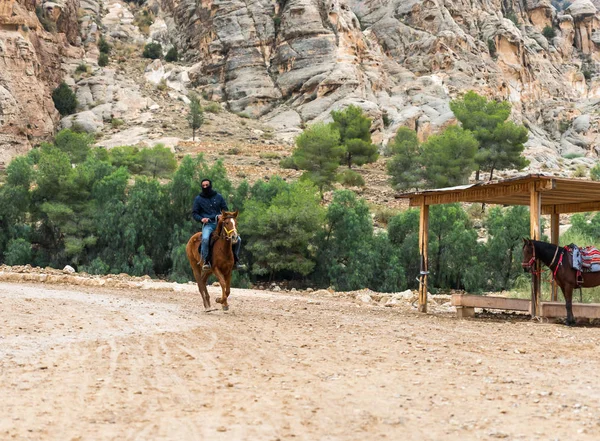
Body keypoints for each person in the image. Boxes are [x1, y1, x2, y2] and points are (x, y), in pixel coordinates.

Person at [192, 179, 243, 270]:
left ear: (210, 185)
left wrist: (223, 215)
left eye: (207, 185)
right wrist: (201, 219)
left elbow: (225, 209)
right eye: (203, 186)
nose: (205, 187)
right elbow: (195, 213)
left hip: (222, 224)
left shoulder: (218, 196)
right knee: (205, 238)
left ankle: (235, 260)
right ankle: (206, 261)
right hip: (209, 224)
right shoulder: (198, 199)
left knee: (238, 239)